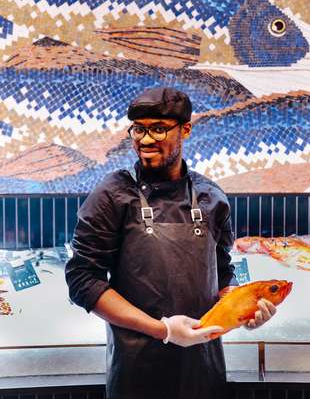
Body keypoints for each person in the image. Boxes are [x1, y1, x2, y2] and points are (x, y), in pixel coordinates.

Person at [65, 87, 276, 399]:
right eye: (138, 129)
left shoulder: (211, 198)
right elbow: (83, 281)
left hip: (204, 370)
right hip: (136, 372)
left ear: (186, 130)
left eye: (158, 129)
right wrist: (163, 330)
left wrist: (243, 310)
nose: (145, 140)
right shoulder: (112, 195)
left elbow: (221, 271)